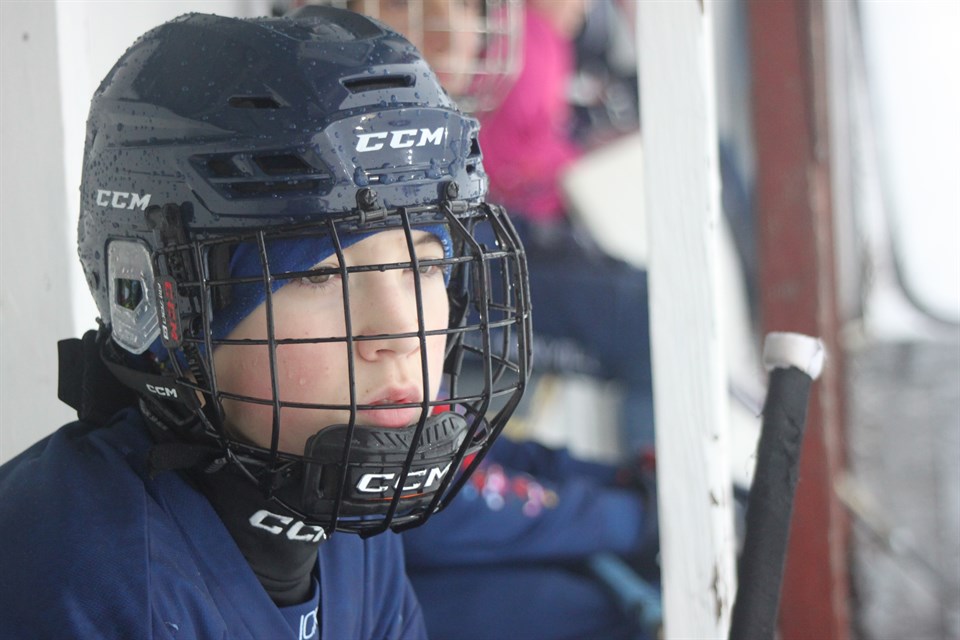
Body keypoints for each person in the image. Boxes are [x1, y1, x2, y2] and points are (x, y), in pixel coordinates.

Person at [0, 8, 531, 639]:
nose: (398, 335)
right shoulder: (79, 578)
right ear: (156, 304)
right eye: (320, 276)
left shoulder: (347, 524)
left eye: (426, 265)